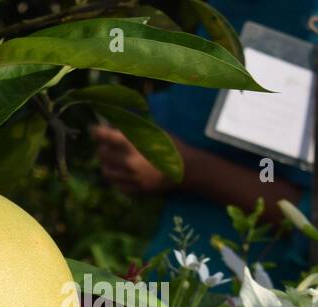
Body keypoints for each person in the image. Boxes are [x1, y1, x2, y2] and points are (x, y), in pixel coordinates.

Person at [90, 0, 316, 277]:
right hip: (175, 270)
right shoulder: (225, 11)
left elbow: (308, 217)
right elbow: (189, 113)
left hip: (267, 293)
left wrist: (183, 167)